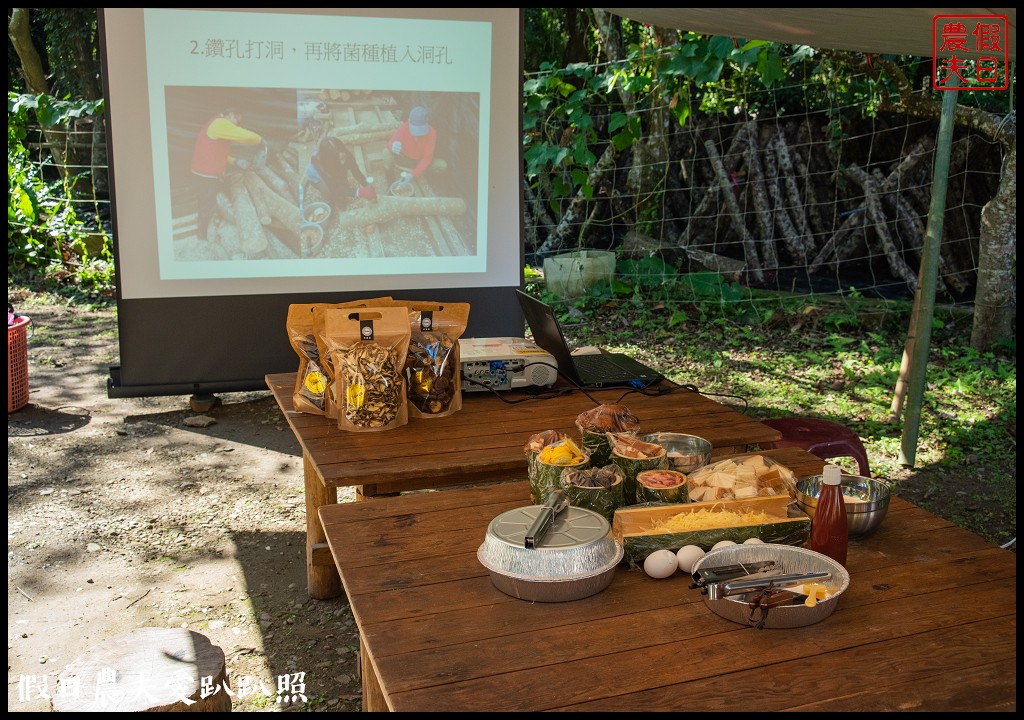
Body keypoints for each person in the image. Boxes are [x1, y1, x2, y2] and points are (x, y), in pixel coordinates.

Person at [190, 108, 263, 241]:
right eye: (237, 121)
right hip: (205, 173)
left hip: (206, 171)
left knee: (209, 200)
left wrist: (235, 161)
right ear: (230, 115)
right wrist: (260, 140)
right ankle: (203, 236)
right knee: (207, 204)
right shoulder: (219, 123)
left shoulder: (217, 126)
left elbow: (217, 151)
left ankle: (209, 229)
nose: (236, 126)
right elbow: (246, 136)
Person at [300, 136, 377, 215]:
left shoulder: (345, 154)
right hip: (317, 178)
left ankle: (341, 194)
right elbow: (333, 187)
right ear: (330, 160)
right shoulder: (321, 166)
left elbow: (356, 171)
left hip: (334, 167)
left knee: (342, 181)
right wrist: (358, 192)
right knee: (329, 192)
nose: (343, 162)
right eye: (339, 160)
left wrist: (366, 186)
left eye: (343, 157)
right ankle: (332, 199)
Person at [384, 105, 446, 185]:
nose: (417, 135)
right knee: (386, 153)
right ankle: (391, 181)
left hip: (419, 161)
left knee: (442, 165)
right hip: (404, 159)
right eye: (415, 130)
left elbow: (427, 158)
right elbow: (390, 143)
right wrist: (392, 146)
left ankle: (430, 181)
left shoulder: (432, 133)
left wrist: (413, 174)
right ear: (409, 121)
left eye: (421, 130)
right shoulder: (404, 127)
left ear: (426, 123)